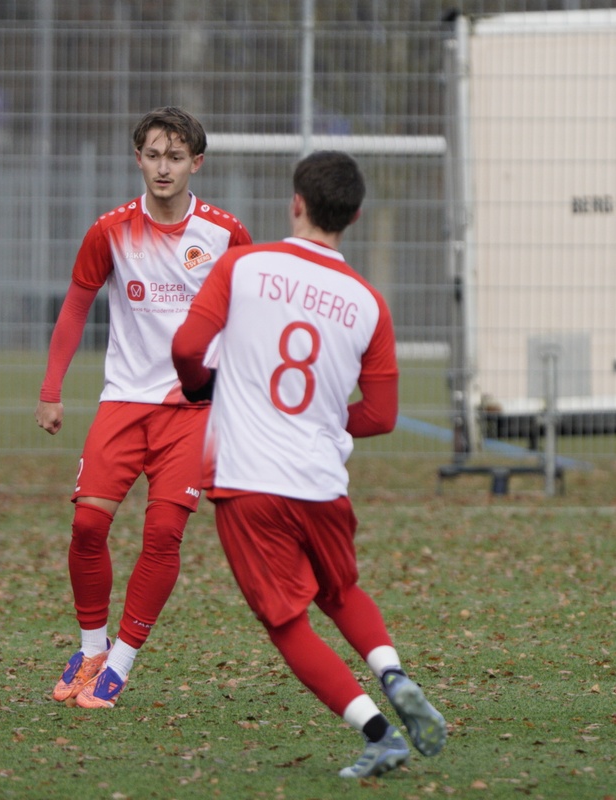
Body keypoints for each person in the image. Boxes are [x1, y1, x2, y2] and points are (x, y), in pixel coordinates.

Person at [170, 150, 446, 778]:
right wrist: (322, 420)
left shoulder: (243, 265)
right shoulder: (369, 303)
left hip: (249, 479)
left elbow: (187, 347)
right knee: (340, 590)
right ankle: (393, 674)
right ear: (354, 216)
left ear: (296, 202)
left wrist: (201, 386)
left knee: (285, 618)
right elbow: (381, 415)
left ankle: (379, 733)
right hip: (322, 480)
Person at [35, 107, 252, 710]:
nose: (163, 167)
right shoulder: (110, 230)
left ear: (195, 164)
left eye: (175, 157)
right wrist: (51, 390)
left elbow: (250, 317)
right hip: (123, 402)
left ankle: (122, 661)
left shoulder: (225, 233)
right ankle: (91, 647)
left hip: (193, 410)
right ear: (138, 159)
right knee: (87, 526)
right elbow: (76, 307)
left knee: (162, 534)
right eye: (153, 155)